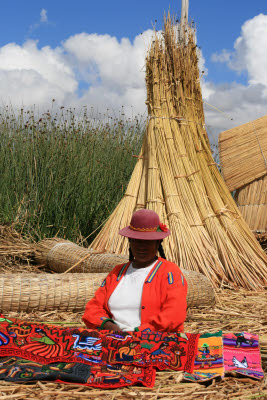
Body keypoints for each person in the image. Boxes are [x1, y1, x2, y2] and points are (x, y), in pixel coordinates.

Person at [82, 209, 187, 332]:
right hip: (114, 339)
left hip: (155, 342)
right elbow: (93, 308)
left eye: (147, 242)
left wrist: (138, 333)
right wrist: (109, 326)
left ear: (158, 243)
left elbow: (174, 313)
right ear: (130, 242)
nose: (141, 247)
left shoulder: (169, 272)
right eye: (136, 241)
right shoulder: (117, 272)